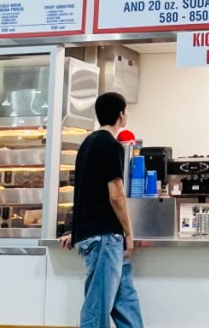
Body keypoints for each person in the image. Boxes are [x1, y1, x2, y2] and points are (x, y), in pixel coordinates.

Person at [58, 92, 144, 328]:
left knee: (126, 303)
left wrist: (75, 230)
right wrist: (129, 232)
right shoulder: (111, 145)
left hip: (94, 235)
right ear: (121, 115)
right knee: (96, 310)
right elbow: (116, 195)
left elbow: (83, 192)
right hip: (106, 239)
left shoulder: (87, 144)